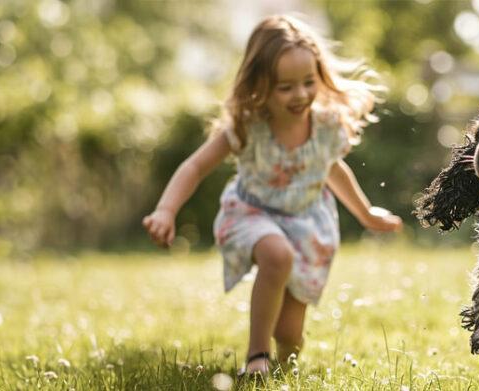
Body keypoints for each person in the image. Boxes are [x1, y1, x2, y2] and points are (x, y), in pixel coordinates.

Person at [142, 14, 402, 377]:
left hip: (307, 223)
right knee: (276, 254)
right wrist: (166, 210)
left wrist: (366, 214)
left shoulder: (324, 125)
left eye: (309, 82)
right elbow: (195, 166)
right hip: (251, 213)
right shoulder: (249, 126)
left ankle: (280, 357)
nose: (300, 95)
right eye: (285, 87)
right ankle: (256, 356)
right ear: (260, 84)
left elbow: (333, 169)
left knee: (291, 337)